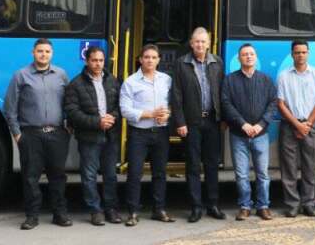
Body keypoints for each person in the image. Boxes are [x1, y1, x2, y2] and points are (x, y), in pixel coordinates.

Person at [3, 38, 72, 230]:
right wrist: (17, 134)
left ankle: (60, 214)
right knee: (31, 177)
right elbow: (10, 108)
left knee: (58, 176)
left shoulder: (61, 75)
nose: (44, 54)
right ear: (33, 53)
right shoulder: (21, 75)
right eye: (40, 51)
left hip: (58, 135)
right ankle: (32, 216)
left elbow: (70, 103)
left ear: (52, 54)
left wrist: (69, 126)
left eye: (47, 51)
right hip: (31, 135)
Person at [170, 27, 226, 222]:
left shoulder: (217, 62)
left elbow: (222, 93)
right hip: (191, 122)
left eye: (203, 41)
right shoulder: (181, 63)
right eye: (197, 42)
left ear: (208, 43)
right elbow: (176, 95)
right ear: (191, 44)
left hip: (212, 121)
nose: (200, 45)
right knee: (193, 166)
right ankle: (196, 207)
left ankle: (213, 204)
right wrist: (180, 122)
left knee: (212, 165)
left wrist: (223, 118)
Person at [63, 46, 122, 226]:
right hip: (89, 137)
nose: (98, 64)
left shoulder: (112, 81)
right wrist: (97, 122)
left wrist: (113, 117)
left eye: (101, 60)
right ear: (87, 61)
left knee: (111, 175)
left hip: (110, 135)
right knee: (89, 175)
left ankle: (111, 209)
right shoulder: (75, 84)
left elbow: (121, 105)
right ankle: (95, 210)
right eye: (94, 60)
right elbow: (73, 112)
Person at [221, 44, 278, 221]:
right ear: (239, 58)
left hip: (261, 134)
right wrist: (243, 124)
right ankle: (245, 206)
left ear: (256, 57)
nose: (248, 57)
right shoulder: (230, 80)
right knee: (242, 174)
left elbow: (273, 103)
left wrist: (261, 124)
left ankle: (263, 206)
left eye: (251, 54)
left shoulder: (266, 80)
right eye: (244, 54)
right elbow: (226, 103)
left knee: (263, 174)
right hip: (239, 134)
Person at [119, 44, 174, 226]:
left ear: (158, 60)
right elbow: (125, 110)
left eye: (153, 57)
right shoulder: (131, 82)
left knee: (160, 173)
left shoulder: (166, 80)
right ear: (140, 59)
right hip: (139, 134)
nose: (150, 60)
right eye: (147, 57)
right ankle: (133, 212)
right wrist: (150, 114)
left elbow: (173, 104)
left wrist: (168, 113)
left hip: (161, 132)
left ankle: (159, 210)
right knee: (135, 173)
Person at [276, 39, 315, 217]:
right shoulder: (283, 75)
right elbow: (281, 104)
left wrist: (308, 124)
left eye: (304, 52)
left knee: (309, 167)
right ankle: (292, 204)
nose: (300, 55)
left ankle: (308, 203)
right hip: (289, 126)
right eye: (297, 52)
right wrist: (297, 124)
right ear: (292, 54)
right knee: (288, 168)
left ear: (308, 53)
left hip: (310, 125)